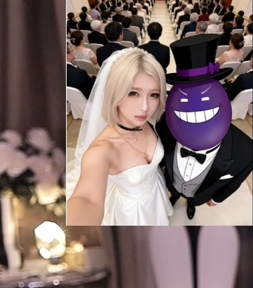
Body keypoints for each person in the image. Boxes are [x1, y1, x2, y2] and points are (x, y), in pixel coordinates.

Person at [65, 49, 173, 227]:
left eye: (154, 94)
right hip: (131, 214)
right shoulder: (100, 151)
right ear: (114, 92)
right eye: (133, 93)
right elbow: (87, 200)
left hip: (156, 192)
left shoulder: (148, 121)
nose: (145, 107)